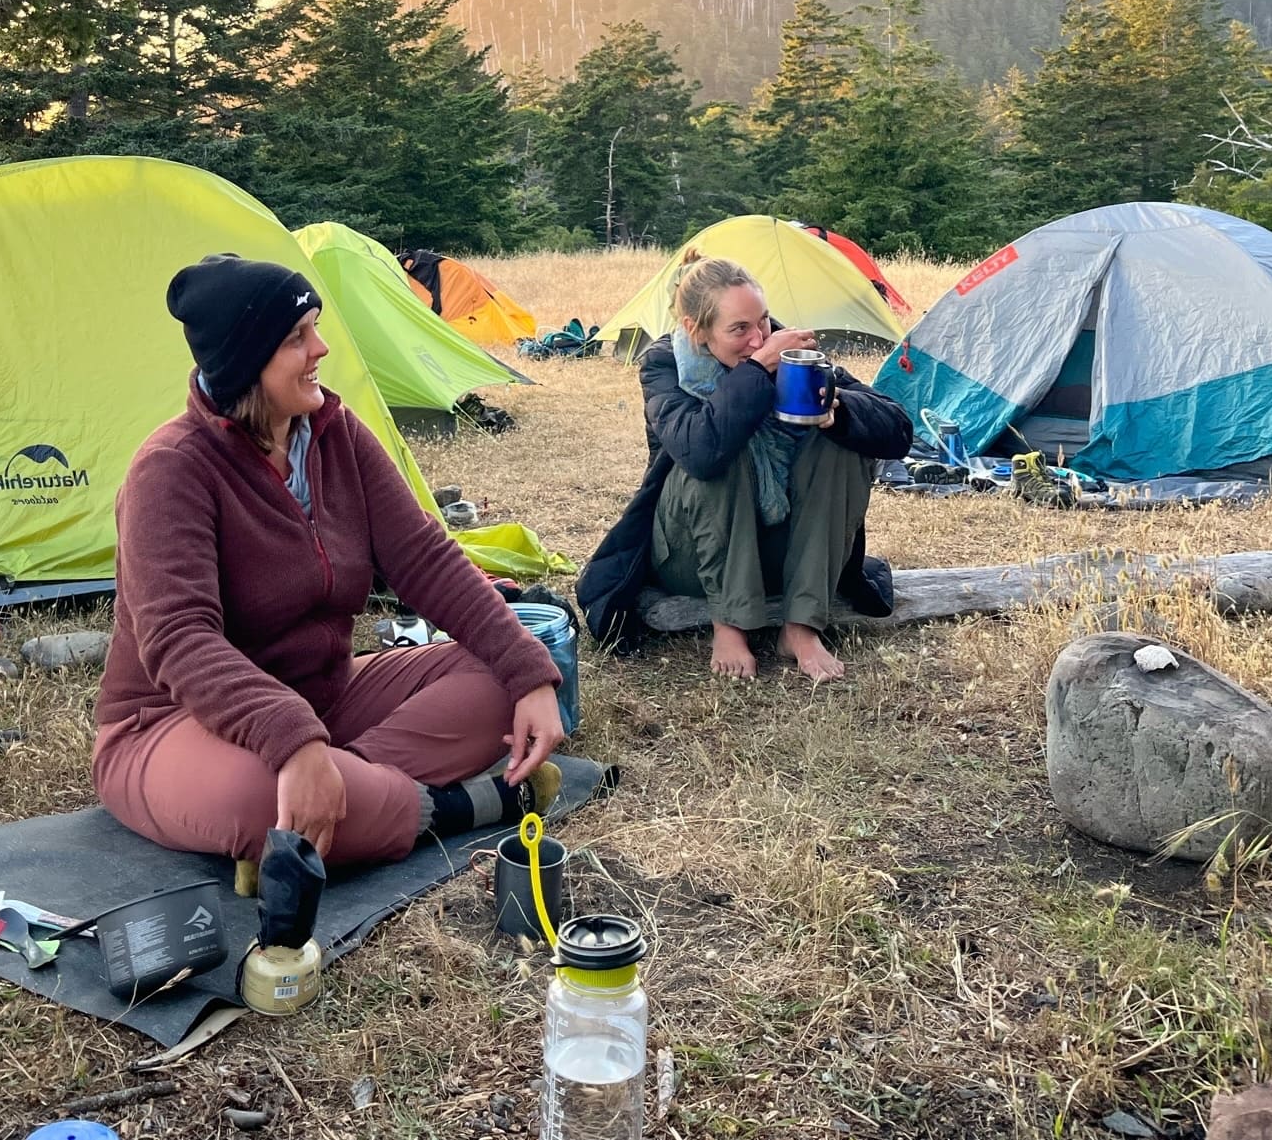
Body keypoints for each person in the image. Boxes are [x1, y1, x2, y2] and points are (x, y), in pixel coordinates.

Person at [94, 255, 566, 867]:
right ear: (246, 362)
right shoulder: (171, 470)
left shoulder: (334, 434)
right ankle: (444, 809)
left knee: (502, 683)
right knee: (253, 799)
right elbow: (179, 639)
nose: (320, 348)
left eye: (315, 328)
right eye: (297, 337)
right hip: (171, 725)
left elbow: (426, 558)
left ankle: (335, 798)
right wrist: (287, 734)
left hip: (327, 703)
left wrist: (528, 670)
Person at [577, 254, 912, 682]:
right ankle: (730, 623)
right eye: (739, 329)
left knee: (839, 442)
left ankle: (802, 627)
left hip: (781, 551)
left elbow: (898, 429)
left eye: (764, 322)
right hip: (691, 557)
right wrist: (756, 372)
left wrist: (836, 411)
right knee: (721, 448)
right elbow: (700, 450)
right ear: (695, 330)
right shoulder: (666, 365)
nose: (758, 339)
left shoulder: (789, 353)